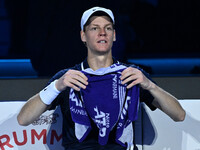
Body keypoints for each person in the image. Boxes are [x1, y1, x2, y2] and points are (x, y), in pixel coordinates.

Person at [17, 6, 185, 150]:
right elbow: (24, 119)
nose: (102, 33)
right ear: (83, 36)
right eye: (94, 28)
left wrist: (149, 85)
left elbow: (179, 115)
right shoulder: (68, 77)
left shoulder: (131, 75)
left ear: (114, 35)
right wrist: (56, 86)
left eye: (108, 28)